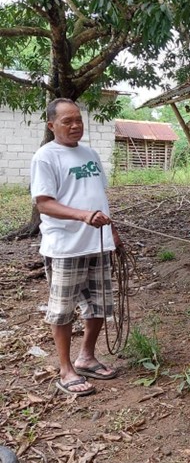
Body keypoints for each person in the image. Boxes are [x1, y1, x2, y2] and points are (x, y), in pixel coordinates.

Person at [30, 98, 120, 397]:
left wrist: (113, 232)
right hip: (65, 246)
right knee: (63, 311)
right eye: (67, 121)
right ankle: (66, 368)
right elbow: (44, 203)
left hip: (98, 241)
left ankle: (87, 357)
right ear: (51, 124)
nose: (75, 125)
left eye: (78, 119)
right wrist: (82, 216)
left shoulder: (90, 153)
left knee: (99, 306)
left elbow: (97, 196)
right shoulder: (46, 156)